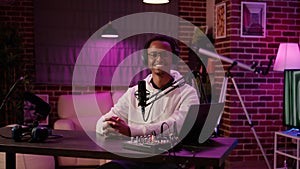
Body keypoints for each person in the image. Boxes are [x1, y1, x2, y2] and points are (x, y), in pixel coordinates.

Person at [96, 35, 199, 169]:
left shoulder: (188, 92)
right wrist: (109, 127)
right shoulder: (134, 92)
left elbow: (176, 125)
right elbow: (102, 122)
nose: (159, 59)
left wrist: (131, 131)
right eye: (153, 55)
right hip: (134, 156)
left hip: (167, 158)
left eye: (165, 55)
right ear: (146, 59)